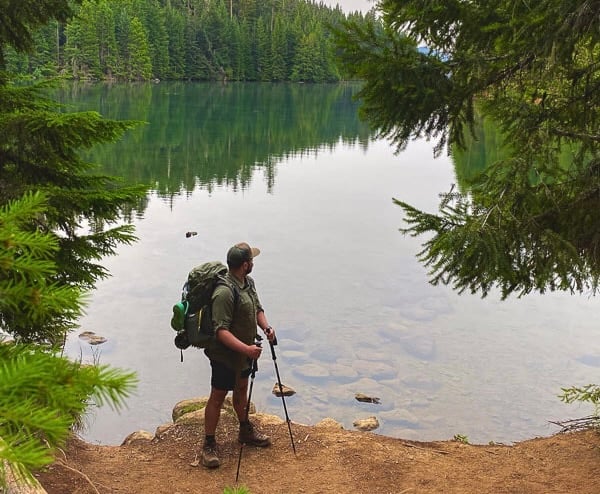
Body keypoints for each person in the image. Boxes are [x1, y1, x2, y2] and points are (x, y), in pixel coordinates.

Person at [201, 242, 276, 468]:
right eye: (251, 260)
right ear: (245, 265)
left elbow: (257, 309)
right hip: (225, 355)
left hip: (245, 353)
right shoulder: (224, 292)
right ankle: (209, 444)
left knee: (242, 388)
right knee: (218, 395)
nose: (253, 263)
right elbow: (221, 331)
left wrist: (266, 328)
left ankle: (244, 430)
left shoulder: (248, 283)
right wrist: (247, 350)